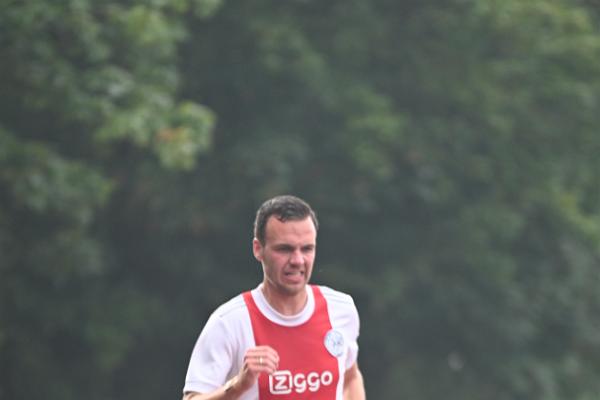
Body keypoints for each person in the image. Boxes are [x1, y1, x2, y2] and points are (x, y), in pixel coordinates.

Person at [182, 195, 365, 400]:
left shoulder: (341, 309)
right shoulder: (229, 322)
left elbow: (350, 378)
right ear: (258, 249)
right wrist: (238, 385)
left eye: (307, 249)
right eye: (284, 249)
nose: (297, 260)